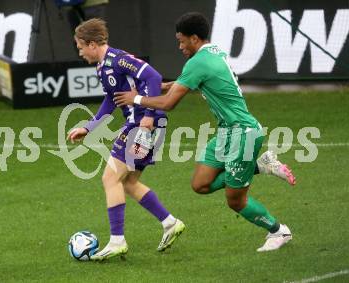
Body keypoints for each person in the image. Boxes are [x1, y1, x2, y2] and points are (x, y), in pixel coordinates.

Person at [114, 12, 294, 252]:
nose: (179, 46)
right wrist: (167, 85)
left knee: (235, 200)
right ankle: (261, 165)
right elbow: (187, 82)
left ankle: (278, 231)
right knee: (200, 184)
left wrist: (135, 98)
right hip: (226, 132)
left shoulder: (197, 62)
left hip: (244, 134)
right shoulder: (212, 52)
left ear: (195, 38)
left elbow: (168, 104)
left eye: (182, 41)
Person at [67, 18, 185, 261]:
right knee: (128, 182)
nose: (79, 53)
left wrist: (149, 117)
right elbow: (112, 100)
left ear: (91, 44)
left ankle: (117, 241)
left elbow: (153, 77)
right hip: (145, 125)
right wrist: (89, 128)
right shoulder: (102, 67)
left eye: (80, 47)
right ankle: (170, 223)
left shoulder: (117, 59)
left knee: (110, 177)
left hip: (141, 124)